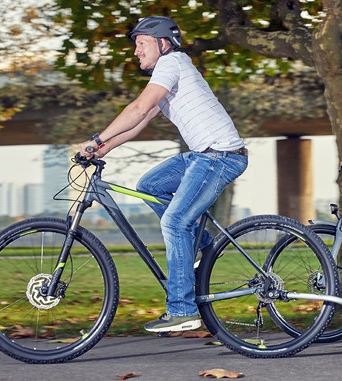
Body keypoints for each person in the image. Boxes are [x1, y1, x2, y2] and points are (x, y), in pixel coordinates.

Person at [78, 15, 248, 333]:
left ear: (162, 43)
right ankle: (202, 246)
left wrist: (97, 138)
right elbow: (142, 120)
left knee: (174, 222)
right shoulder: (169, 71)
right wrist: (104, 149)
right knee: (150, 185)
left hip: (219, 156)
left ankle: (182, 310)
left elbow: (139, 108)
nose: (135, 52)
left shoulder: (173, 63)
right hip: (205, 155)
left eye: (141, 44)